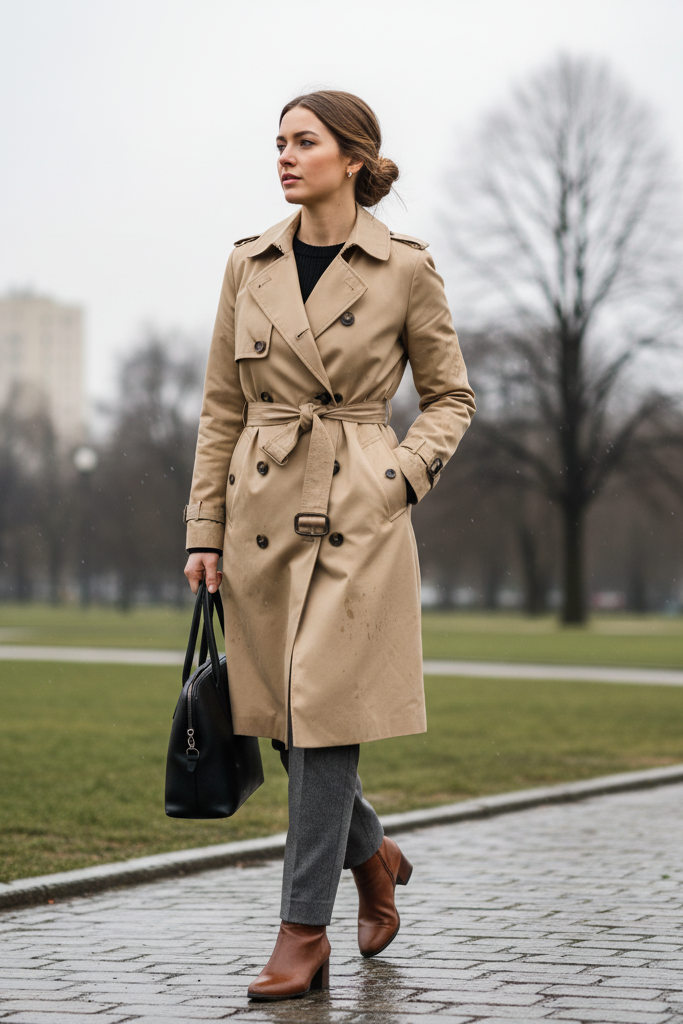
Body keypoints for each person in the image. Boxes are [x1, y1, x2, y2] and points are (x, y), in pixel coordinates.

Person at [183, 90, 475, 1001]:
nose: (284, 155)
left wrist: (395, 478)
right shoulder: (249, 263)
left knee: (322, 709)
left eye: (304, 141)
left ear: (353, 156)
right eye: (278, 142)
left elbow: (450, 398)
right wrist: (204, 529)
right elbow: (222, 409)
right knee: (281, 714)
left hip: (358, 514)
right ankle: (372, 854)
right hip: (261, 509)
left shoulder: (405, 269)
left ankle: (299, 932)